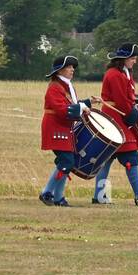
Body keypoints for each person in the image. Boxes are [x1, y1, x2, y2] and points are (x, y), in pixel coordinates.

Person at [95, 43, 138, 206]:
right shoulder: (114, 75)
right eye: (132, 58)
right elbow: (122, 101)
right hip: (115, 117)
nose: (135, 61)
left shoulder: (124, 73)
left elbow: (130, 95)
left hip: (119, 117)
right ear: (123, 59)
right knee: (128, 155)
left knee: (108, 158)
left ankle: (100, 196)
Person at [39, 55, 99, 206]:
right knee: (67, 161)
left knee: (66, 162)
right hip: (55, 127)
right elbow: (61, 109)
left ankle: (58, 198)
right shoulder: (54, 87)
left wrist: (88, 103)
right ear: (60, 70)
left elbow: (72, 104)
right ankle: (47, 192)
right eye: (69, 67)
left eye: (73, 67)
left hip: (64, 127)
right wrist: (81, 107)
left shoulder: (65, 86)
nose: (72, 69)